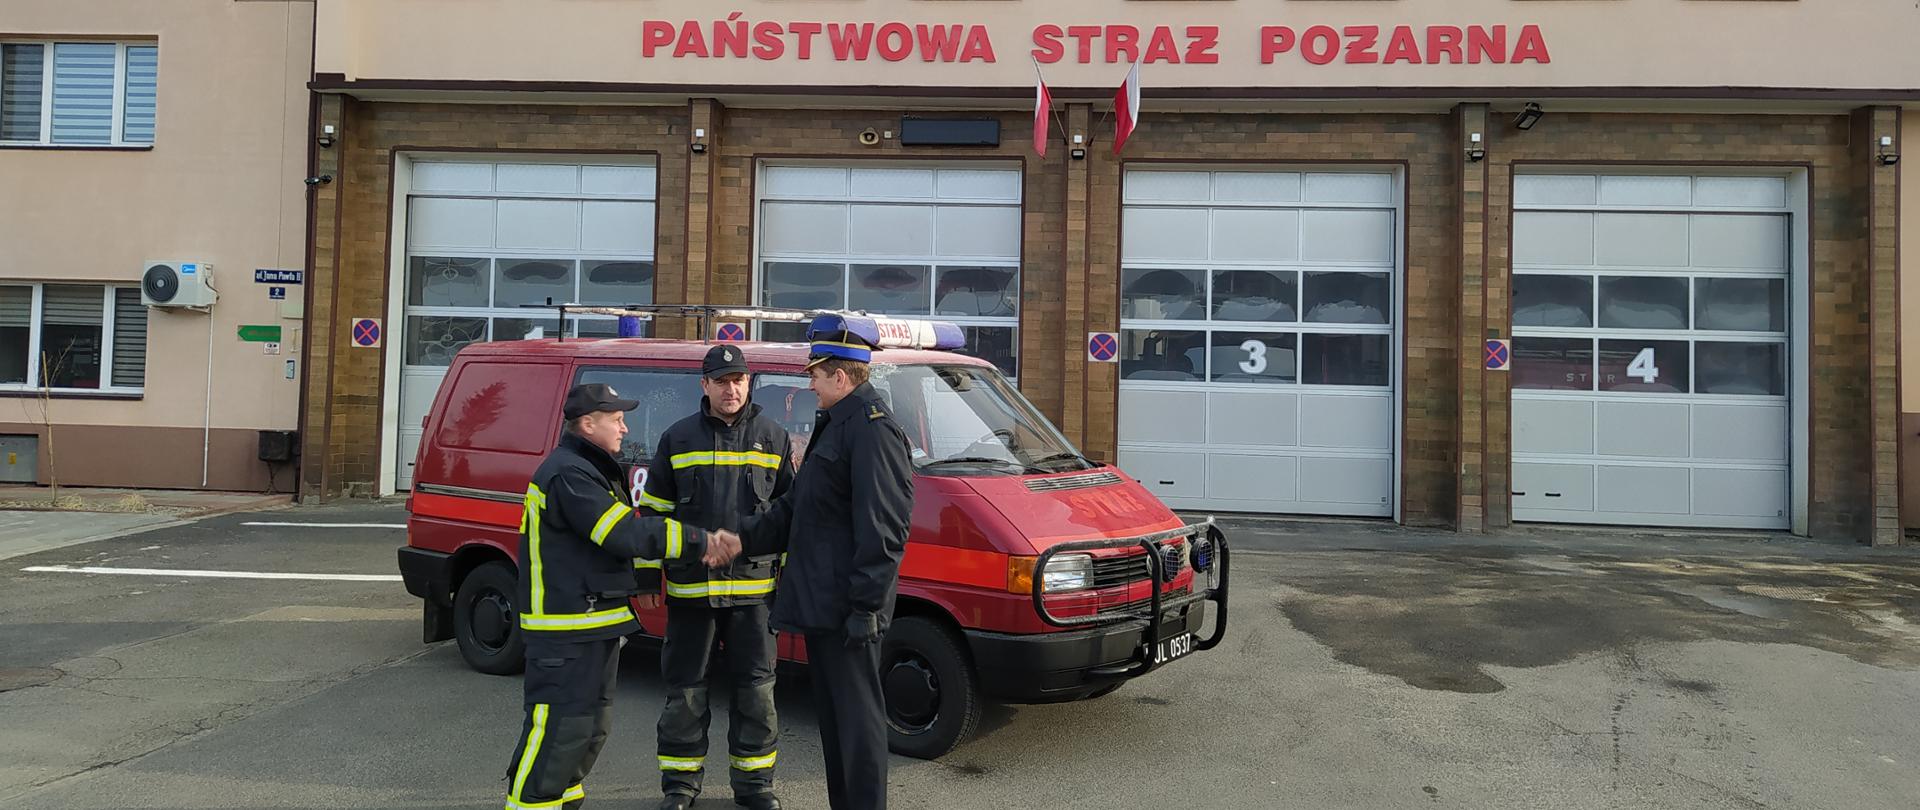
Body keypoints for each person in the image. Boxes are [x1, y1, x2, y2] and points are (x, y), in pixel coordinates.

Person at [500, 382, 739, 810]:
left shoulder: (588, 466)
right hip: (565, 632)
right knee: (560, 732)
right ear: (588, 424)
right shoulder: (569, 473)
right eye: (617, 419)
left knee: (587, 731)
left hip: (590, 625)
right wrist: (699, 540)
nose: (626, 428)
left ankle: (562, 802)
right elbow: (621, 533)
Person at [717, 316, 916, 810]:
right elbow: (794, 509)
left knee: (857, 727)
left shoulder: (871, 431)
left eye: (816, 375)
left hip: (850, 611)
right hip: (827, 608)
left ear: (841, 377)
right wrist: (739, 538)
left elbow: (884, 529)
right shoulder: (839, 426)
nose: (810, 384)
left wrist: (866, 607)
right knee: (836, 725)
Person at [636, 345, 795, 810]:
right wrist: (647, 578)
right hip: (691, 595)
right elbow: (654, 515)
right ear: (703, 385)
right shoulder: (677, 439)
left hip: (755, 596)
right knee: (685, 695)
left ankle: (754, 786)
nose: (731, 389)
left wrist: (794, 583)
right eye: (722, 381)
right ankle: (681, 786)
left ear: (749, 383)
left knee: (757, 694)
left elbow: (790, 515)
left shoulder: (775, 437)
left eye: (739, 380)